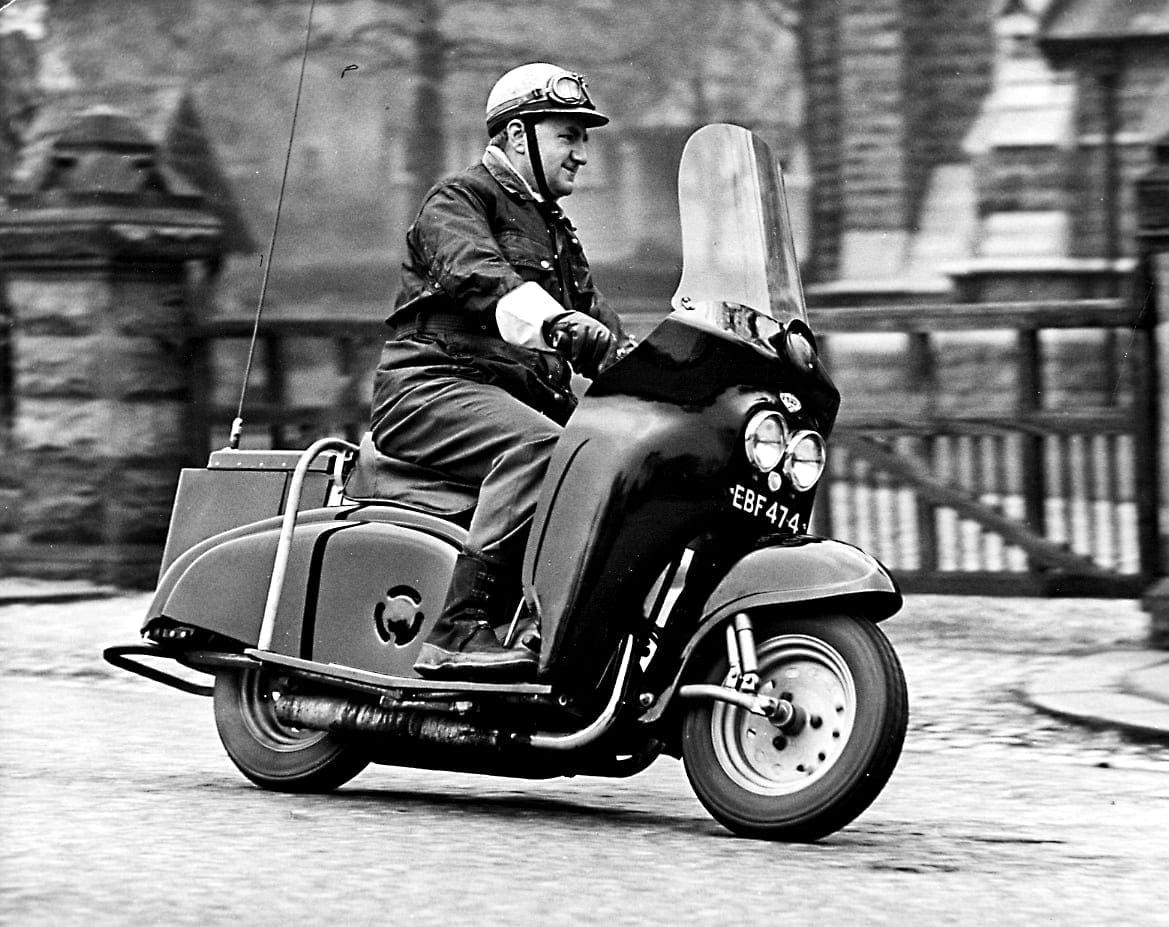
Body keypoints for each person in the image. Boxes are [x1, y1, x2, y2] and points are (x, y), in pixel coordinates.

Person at [370, 63, 630, 681]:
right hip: (433, 387)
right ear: (519, 136)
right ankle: (457, 629)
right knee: (543, 450)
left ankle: (561, 628)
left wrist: (671, 368)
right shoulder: (458, 199)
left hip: (511, 396)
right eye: (569, 134)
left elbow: (602, 326)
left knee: (617, 458)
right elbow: (478, 274)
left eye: (584, 138)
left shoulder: (558, 232)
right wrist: (560, 326)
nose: (582, 154)